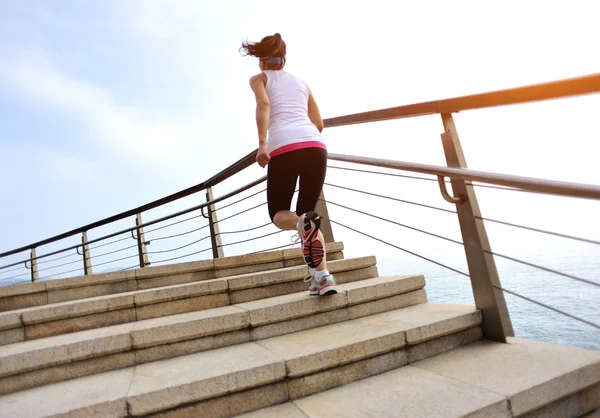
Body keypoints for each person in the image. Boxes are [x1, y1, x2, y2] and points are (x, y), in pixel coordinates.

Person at [240, 32, 337, 296]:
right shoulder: (302, 83)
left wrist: (263, 145)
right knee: (308, 214)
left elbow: (264, 104)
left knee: (280, 213)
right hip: (315, 146)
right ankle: (323, 277)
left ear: (261, 61)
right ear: (284, 59)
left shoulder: (259, 78)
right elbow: (319, 124)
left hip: (284, 147)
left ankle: (300, 226)